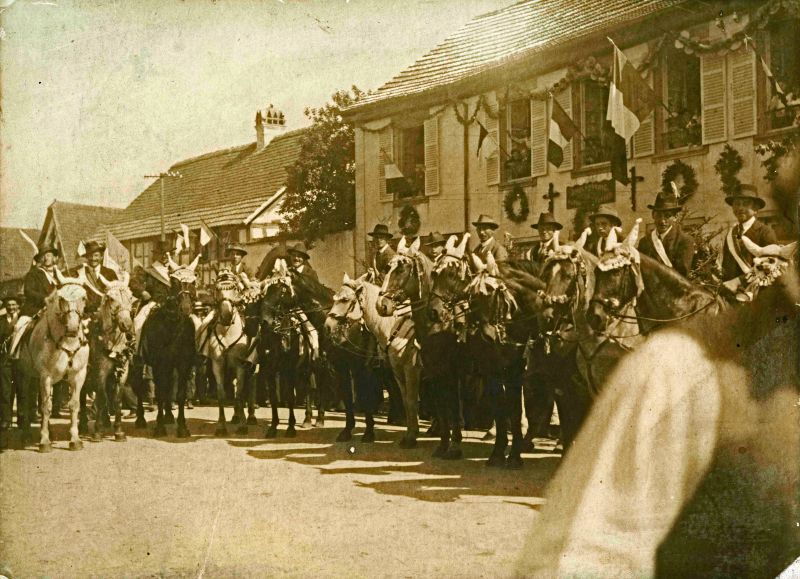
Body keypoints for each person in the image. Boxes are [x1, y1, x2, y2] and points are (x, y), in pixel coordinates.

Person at [718, 185, 777, 296]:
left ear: (755, 209)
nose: (740, 208)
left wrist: (739, 281)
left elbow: (770, 266)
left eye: (745, 204)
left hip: (760, 294)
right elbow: (727, 266)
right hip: (733, 295)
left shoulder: (765, 232)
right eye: (737, 204)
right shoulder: (731, 234)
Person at [637, 192, 695, 277]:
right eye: (659, 215)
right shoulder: (644, 242)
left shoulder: (684, 241)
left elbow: (682, 276)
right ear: (653, 215)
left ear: (675, 217)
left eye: (667, 216)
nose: (662, 221)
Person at [77, 240, 119, 314]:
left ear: (101, 257)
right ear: (86, 257)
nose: (93, 259)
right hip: (86, 315)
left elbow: (118, 295)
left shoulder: (110, 273)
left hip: (107, 315)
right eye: (90, 255)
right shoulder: (80, 273)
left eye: (96, 255)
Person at [0, 295, 21, 434]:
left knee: (21, 390)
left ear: (18, 306)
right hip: (5, 360)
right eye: (9, 305)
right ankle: (6, 419)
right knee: (5, 390)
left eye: (13, 305)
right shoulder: (1, 320)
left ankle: (22, 420)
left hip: (20, 360)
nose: (11, 307)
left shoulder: (24, 321)